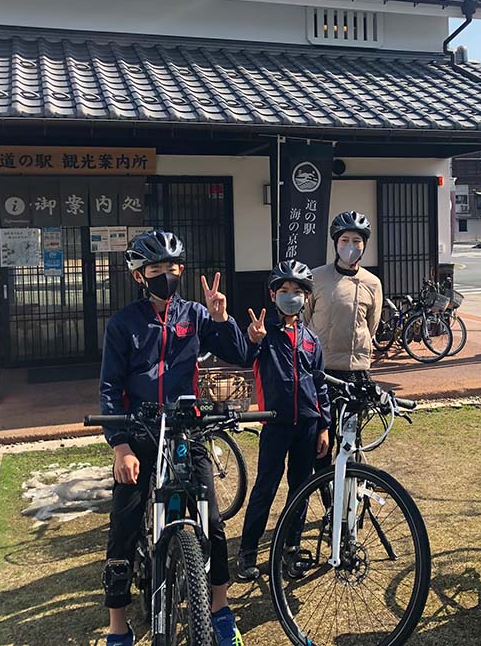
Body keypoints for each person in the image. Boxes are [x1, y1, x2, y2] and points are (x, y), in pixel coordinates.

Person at [99, 229, 248, 646]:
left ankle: (219, 609)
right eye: (156, 269)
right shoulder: (123, 324)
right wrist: (120, 445)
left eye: (172, 267)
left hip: (187, 428)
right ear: (139, 276)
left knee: (212, 522)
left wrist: (221, 318)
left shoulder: (196, 315)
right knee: (124, 525)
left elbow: (239, 353)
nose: (166, 275)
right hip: (139, 432)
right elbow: (109, 387)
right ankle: (118, 626)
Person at [235, 260, 331, 582]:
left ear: (305, 296)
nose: (291, 296)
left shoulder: (311, 340)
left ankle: (291, 547)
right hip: (274, 424)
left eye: (297, 291)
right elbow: (245, 357)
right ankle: (247, 552)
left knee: (300, 490)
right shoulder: (264, 335)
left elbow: (319, 383)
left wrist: (324, 425)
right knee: (265, 488)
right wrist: (252, 339)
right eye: (284, 290)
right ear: (273, 294)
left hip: (307, 425)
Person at [305, 210, 383, 470]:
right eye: (345, 240)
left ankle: (348, 503)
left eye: (357, 241)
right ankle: (329, 504)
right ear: (335, 243)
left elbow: (371, 326)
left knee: (349, 443)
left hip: (355, 374)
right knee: (320, 444)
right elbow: (305, 321)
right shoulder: (316, 277)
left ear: (364, 246)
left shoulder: (372, 283)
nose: (351, 247)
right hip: (322, 373)